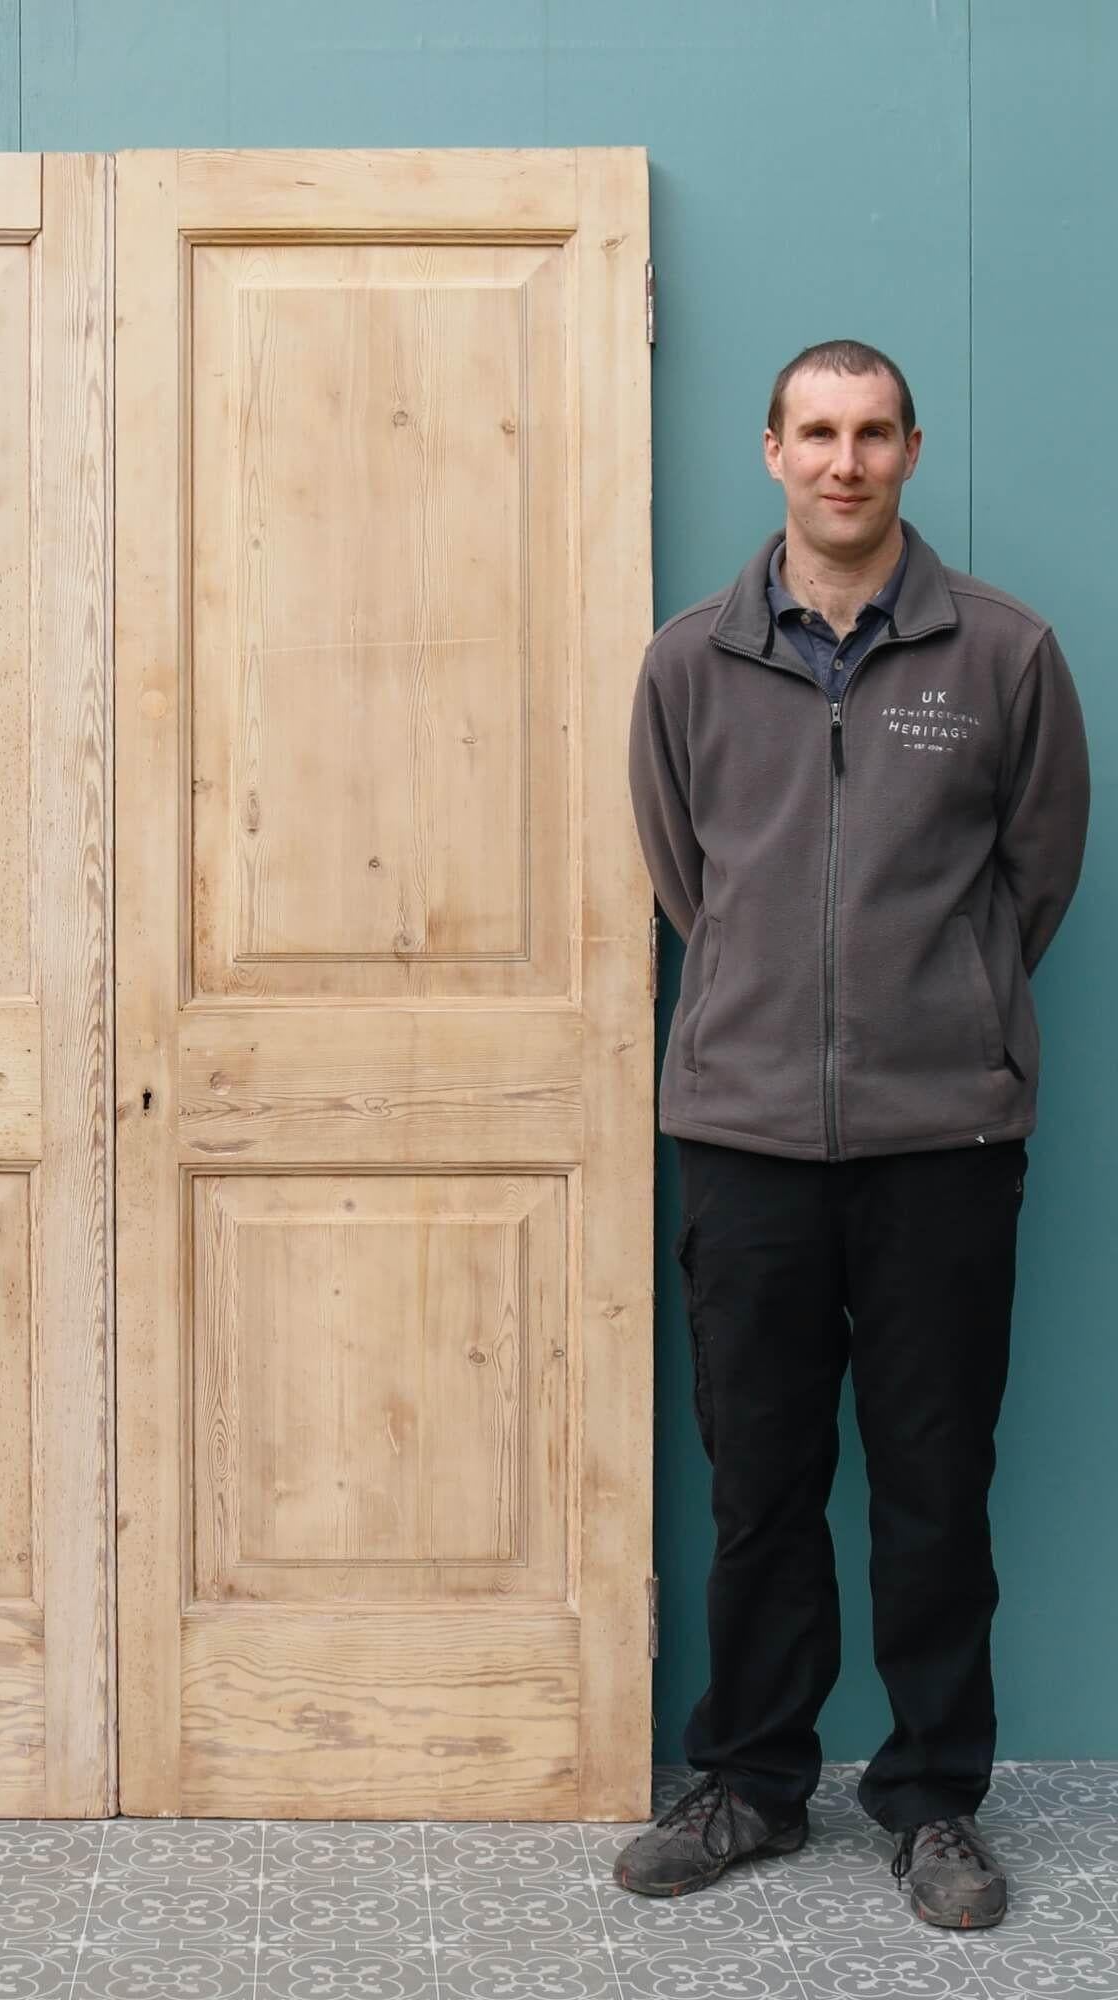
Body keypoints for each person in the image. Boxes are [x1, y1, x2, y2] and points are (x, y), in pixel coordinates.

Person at [616, 338, 1090, 1929]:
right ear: (768, 451)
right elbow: (692, 883)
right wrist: (769, 1013)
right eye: (815, 433)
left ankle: (933, 1798)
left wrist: (929, 1010)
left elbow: (1031, 883)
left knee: (933, 1479)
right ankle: (750, 1779)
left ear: (909, 450)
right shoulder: (689, 662)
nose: (844, 460)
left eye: (872, 433)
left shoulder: (1004, 658)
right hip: (744, 1136)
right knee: (759, 1477)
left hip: (941, 1142)